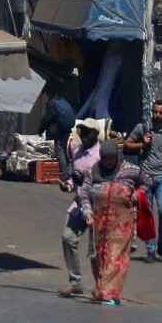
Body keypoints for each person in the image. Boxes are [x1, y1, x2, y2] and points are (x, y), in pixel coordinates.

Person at [84, 142, 141, 304]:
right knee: (99, 257)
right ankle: (100, 289)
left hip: (121, 223)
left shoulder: (130, 170)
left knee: (115, 256)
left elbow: (147, 182)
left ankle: (110, 294)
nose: (108, 161)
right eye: (105, 158)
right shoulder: (94, 171)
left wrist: (137, 194)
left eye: (111, 158)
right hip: (98, 222)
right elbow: (83, 191)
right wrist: (87, 210)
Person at [123, 100, 162, 262]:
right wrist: (142, 143)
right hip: (145, 177)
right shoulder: (142, 128)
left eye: (161, 113)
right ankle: (151, 249)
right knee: (147, 215)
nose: (157, 115)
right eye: (155, 112)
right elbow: (126, 145)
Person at [58, 121, 103, 297]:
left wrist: (85, 182)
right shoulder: (76, 152)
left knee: (98, 248)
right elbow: (73, 179)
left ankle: (102, 286)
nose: (83, 135)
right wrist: (67, 185)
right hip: (79, 205)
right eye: (81, 131)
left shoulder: (101, 154)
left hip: (97, 205)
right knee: (68, 238)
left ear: (95, 134)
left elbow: (106, 180)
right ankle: (75, 282)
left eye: (87, 132)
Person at [41, 92, 76, 187]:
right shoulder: (63, 102)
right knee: (64, 152)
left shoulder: (52, 104)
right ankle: (69, 173)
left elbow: (47, 118)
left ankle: (63, 176)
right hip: (66, 130)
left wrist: (41, 129)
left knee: (60, 153)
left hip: (59, 132)